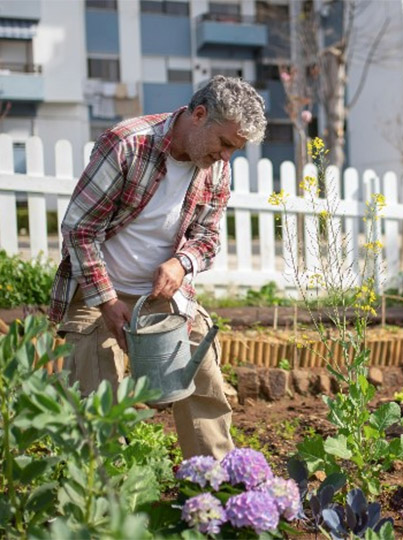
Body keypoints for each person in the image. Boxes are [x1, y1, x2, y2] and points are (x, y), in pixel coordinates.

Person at [48, 76, 267, 459]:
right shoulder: (128, 144)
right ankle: (106, 506)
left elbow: (208, 238)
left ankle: (213, 495)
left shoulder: (214, 167)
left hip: (163, 294)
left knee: (204, 382)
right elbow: (79, 230)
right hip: (97, 292)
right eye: (225, 144)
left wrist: (182, 264)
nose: (226, 157)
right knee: (98, 403)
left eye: (236, 149)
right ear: (199, 115)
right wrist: (106, 301)